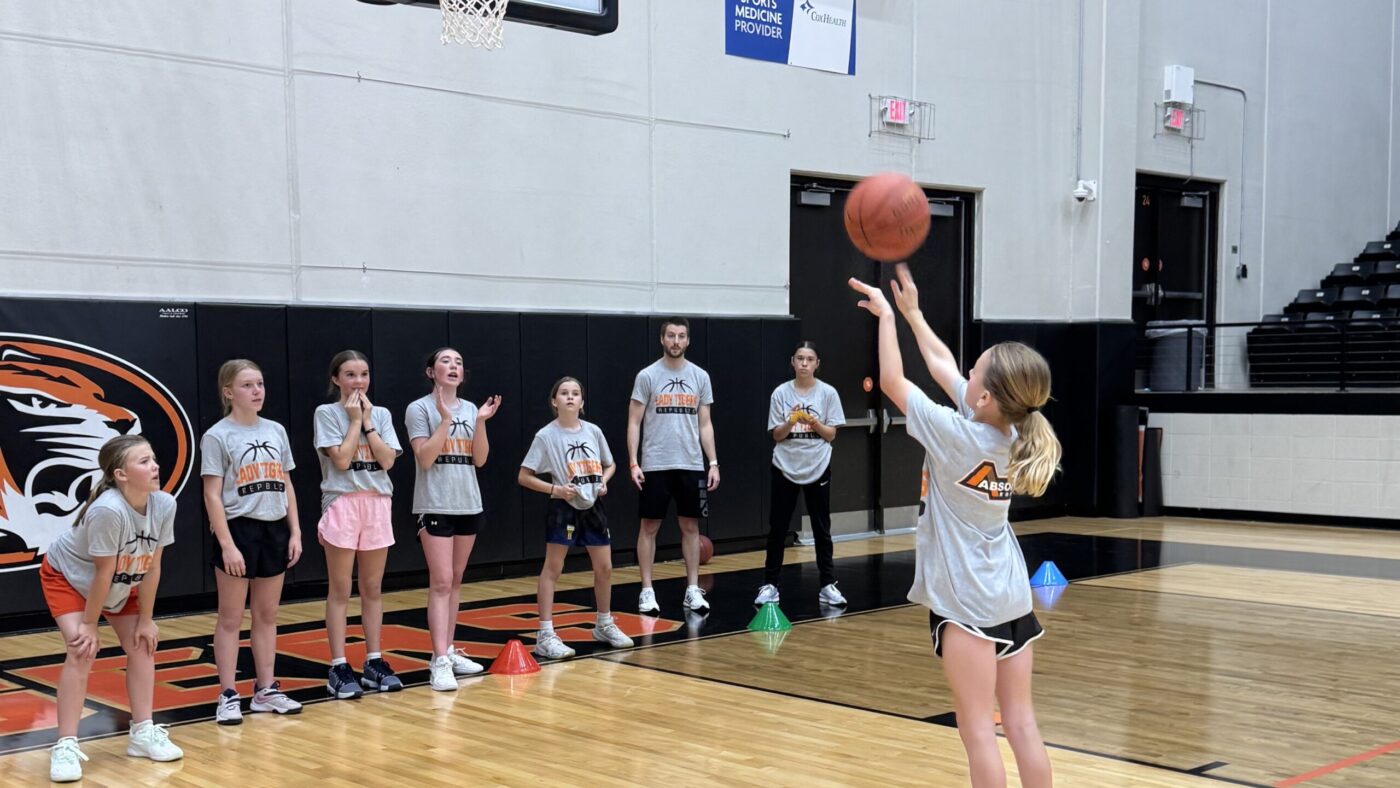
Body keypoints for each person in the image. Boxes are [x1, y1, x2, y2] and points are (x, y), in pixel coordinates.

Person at [850, 265, 1061, 788]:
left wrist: (885, 320)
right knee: (1021, 723)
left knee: (977, 731)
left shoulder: (955, 436)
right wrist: (915, 315)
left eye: (975, 373)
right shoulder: (1014, 430)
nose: (965, 374)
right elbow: (943, 366)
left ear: (985, 397)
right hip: (1011, 594)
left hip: (967, 599)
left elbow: (896, 383)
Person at [43, 436, 182, 782]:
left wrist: (147, 620)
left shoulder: (164, 504)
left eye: (153, 458)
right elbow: (102, 573)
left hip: (123, 578)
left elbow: (153, 566)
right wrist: (89, 625)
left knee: (142, 644)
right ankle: (65, 745)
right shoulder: (108, 509)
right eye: (144, 462)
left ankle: (143, 732)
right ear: (120, 474)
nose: (155, 466)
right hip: (71, 578)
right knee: (81, 651)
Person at [202, 359, 304, 723]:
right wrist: (228, 544)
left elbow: (287, 484)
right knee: (230, 617)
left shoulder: (276, 430)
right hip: (239, 528)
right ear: (229, 392)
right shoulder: (217, 435)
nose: (257, 391)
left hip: (274, 528)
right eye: (247, 385)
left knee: (267, 615)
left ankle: (265, 690)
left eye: (259, 383)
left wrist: (295, 531)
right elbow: (212, 494)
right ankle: (228, 694)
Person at [405, 347, 501, 691]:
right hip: (434, 504)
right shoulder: (418, 409)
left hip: (467, 503)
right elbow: (426, 458)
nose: (453, 366)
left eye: (459, 362)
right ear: (431, 371)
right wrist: (445, 419)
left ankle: (445, 649)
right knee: (441, 581)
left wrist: (479, 423)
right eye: (445, 361)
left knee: (456, 580)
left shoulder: (472, 408)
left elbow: (479, 460)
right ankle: (440, 662)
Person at [519, 377, 635, 659]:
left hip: (593, 506)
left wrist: (604, 481)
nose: (570, 397)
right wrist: (555, 489)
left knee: (605, 567)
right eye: (564, 393)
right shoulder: (546, 436)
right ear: (554, 401)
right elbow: (524, 476)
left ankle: (604, 623)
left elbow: (611, 464)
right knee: (554, 568)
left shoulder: (593, 431)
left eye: (575, 393)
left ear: (582, 403)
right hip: (564, 507)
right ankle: (545, 634)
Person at [314, 350, 403, 699]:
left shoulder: (381, 414)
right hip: (342, 502)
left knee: (373, 588)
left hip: (378, 502)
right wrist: (353, 421)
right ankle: (338, 665)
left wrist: (367, 422)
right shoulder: (326, 413)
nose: (358, 381)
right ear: (336, 379)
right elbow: (341, 458)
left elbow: (387, 461)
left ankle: (374, 661)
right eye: (350, 375)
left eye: (364, 374)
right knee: (340, 589)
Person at [627, 317, 719, 615]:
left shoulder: (700, 376)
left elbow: (705, 424)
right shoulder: (647, 376)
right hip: (655, 464)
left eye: (681, 336)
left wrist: (713, 462)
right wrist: (633, 461)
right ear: (662, 339)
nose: (676, 341)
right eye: (670, 335)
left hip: (691, 464)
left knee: (691, 526)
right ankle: (647, 590)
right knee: (649, 526)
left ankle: (693, 589)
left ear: (688, 341)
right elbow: (634, 422)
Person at [755, 342, 847, 607]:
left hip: (818, 465)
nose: (804, 363)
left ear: (817, 363)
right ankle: (770, 585)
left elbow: (831, 435)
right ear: (792, 362)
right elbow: (777, 435)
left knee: (821, 528)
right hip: (785, 466)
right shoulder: (780, 393)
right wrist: (792, 420)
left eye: (809, 359)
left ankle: (828, 585)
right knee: (778, 528)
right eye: (800, 358)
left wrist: (814, 422)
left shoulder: (828, 393)